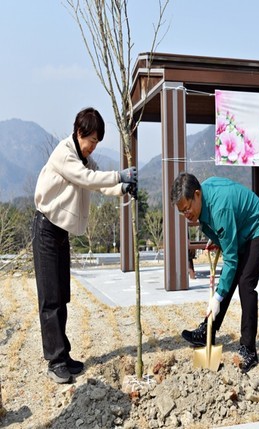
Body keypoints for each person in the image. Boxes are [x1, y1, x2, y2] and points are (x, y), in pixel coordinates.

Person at [33, 107, 138, 383]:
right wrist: (120, 175)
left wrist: (122, 188)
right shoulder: (65, 153)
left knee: (62, 295)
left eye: (96, 142)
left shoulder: (84, 158)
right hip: (45, 228)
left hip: (60, 233)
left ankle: (63, 354)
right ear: (79, 133)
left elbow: (99, 184)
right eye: (91, 140)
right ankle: (54, 360)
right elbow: (86, 179)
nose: (93, 146)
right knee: (50, 298)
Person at [174, 173, 259, 373]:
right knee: (227, 281)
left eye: (187, 209)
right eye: (182, 212)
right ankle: (207, 331)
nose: (186, 215)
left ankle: (249, 349)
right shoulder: (204, 194)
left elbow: (231, 259)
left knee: (245, 283)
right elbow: (220, 226)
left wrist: (217, 298)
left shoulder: (220, 207)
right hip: (242, 231)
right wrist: (219, 236)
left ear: (197, 194)